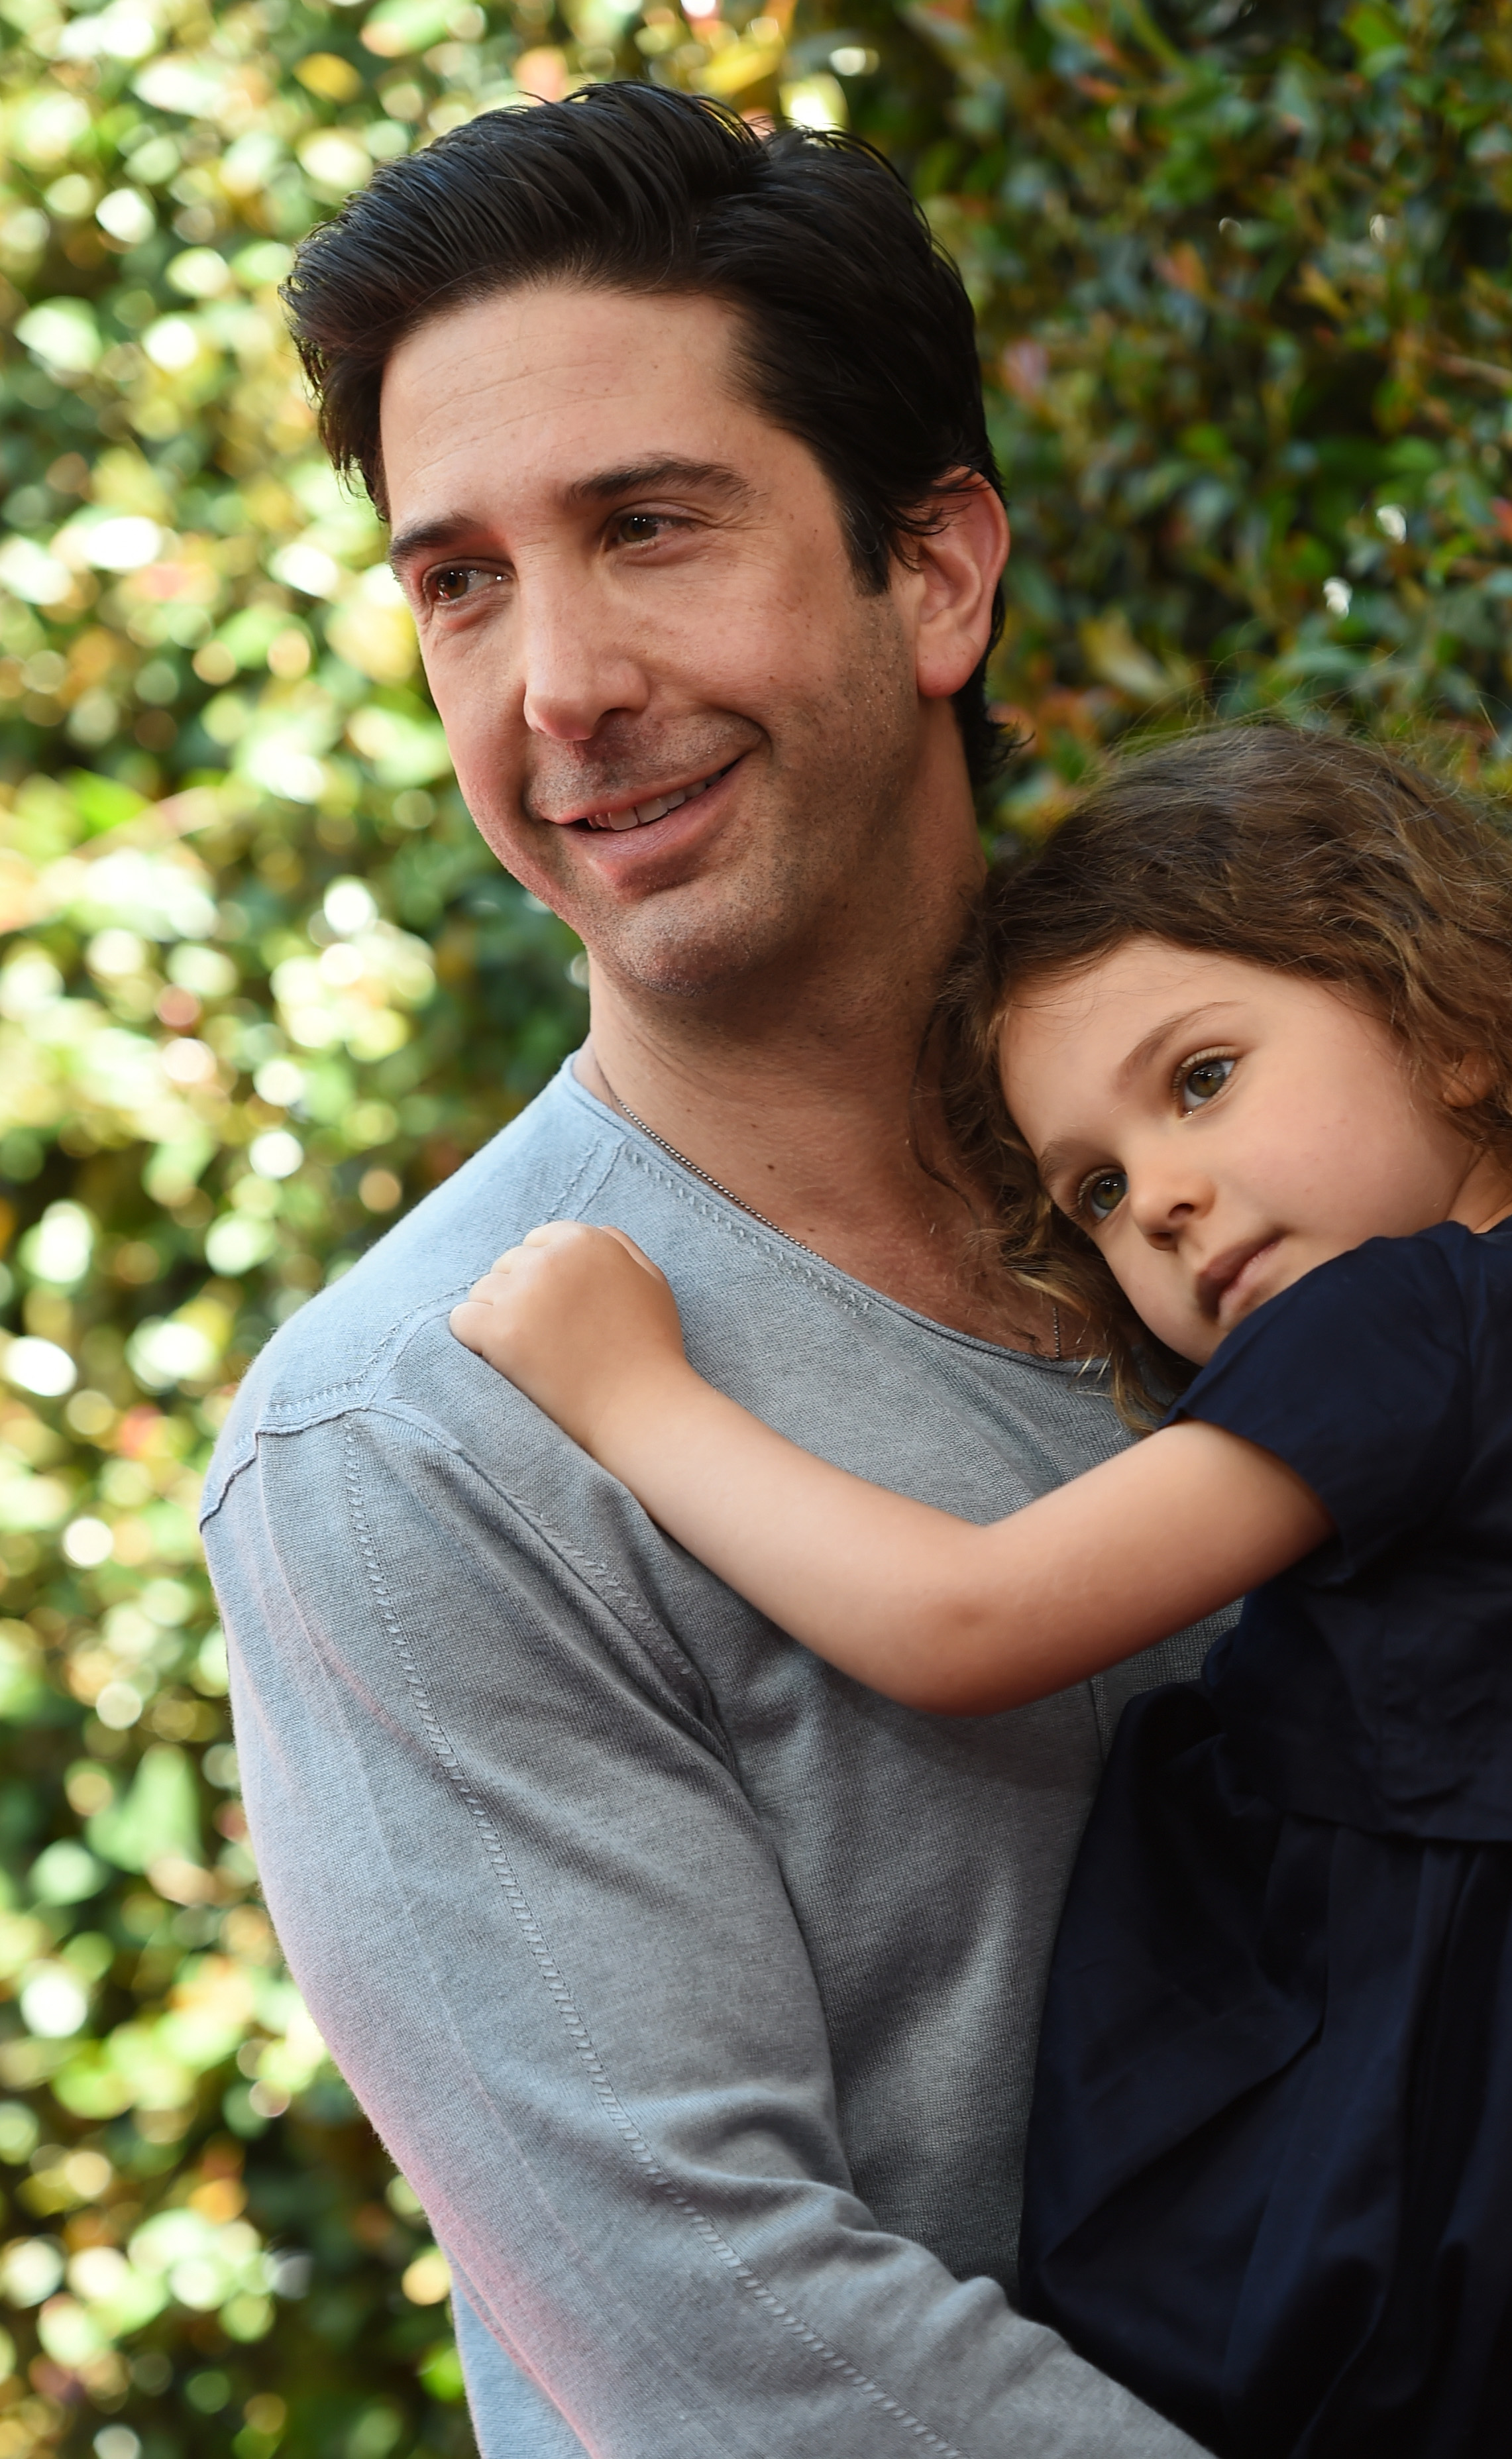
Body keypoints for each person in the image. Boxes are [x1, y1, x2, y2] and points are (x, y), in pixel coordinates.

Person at [200, 82, 1222, 2459]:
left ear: (938, 571)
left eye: (647, 529)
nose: (554, 684)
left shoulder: (1283, 1182)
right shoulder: (415, 1441)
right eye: (459, 581)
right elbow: (727, 2347)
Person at [453, 723, 1512, 2458]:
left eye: (1202, 1079)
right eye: (1091, 1189)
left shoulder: (1410, 1320)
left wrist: (627, 1394)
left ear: (1451, 1020)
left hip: (1498, 2196)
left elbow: (970, 1620)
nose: (1160, 1197)